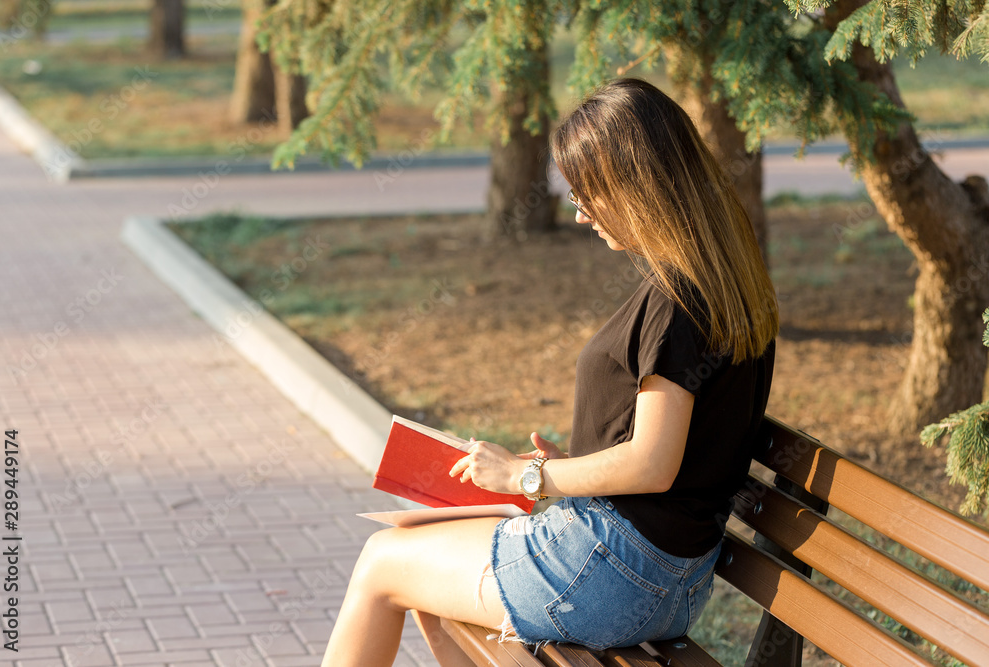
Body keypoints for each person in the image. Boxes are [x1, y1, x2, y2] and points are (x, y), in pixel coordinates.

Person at [320, 77, 778, 666]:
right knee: (425, 569)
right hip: (661, 572)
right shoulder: (720, 282)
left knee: (383, 560)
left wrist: (525, 476)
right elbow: (675, 451)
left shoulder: (676, 301)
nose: (581, 212)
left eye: (590, 192)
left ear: (639, 185)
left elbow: (653, 464)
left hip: (619, 571)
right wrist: (570, 463)